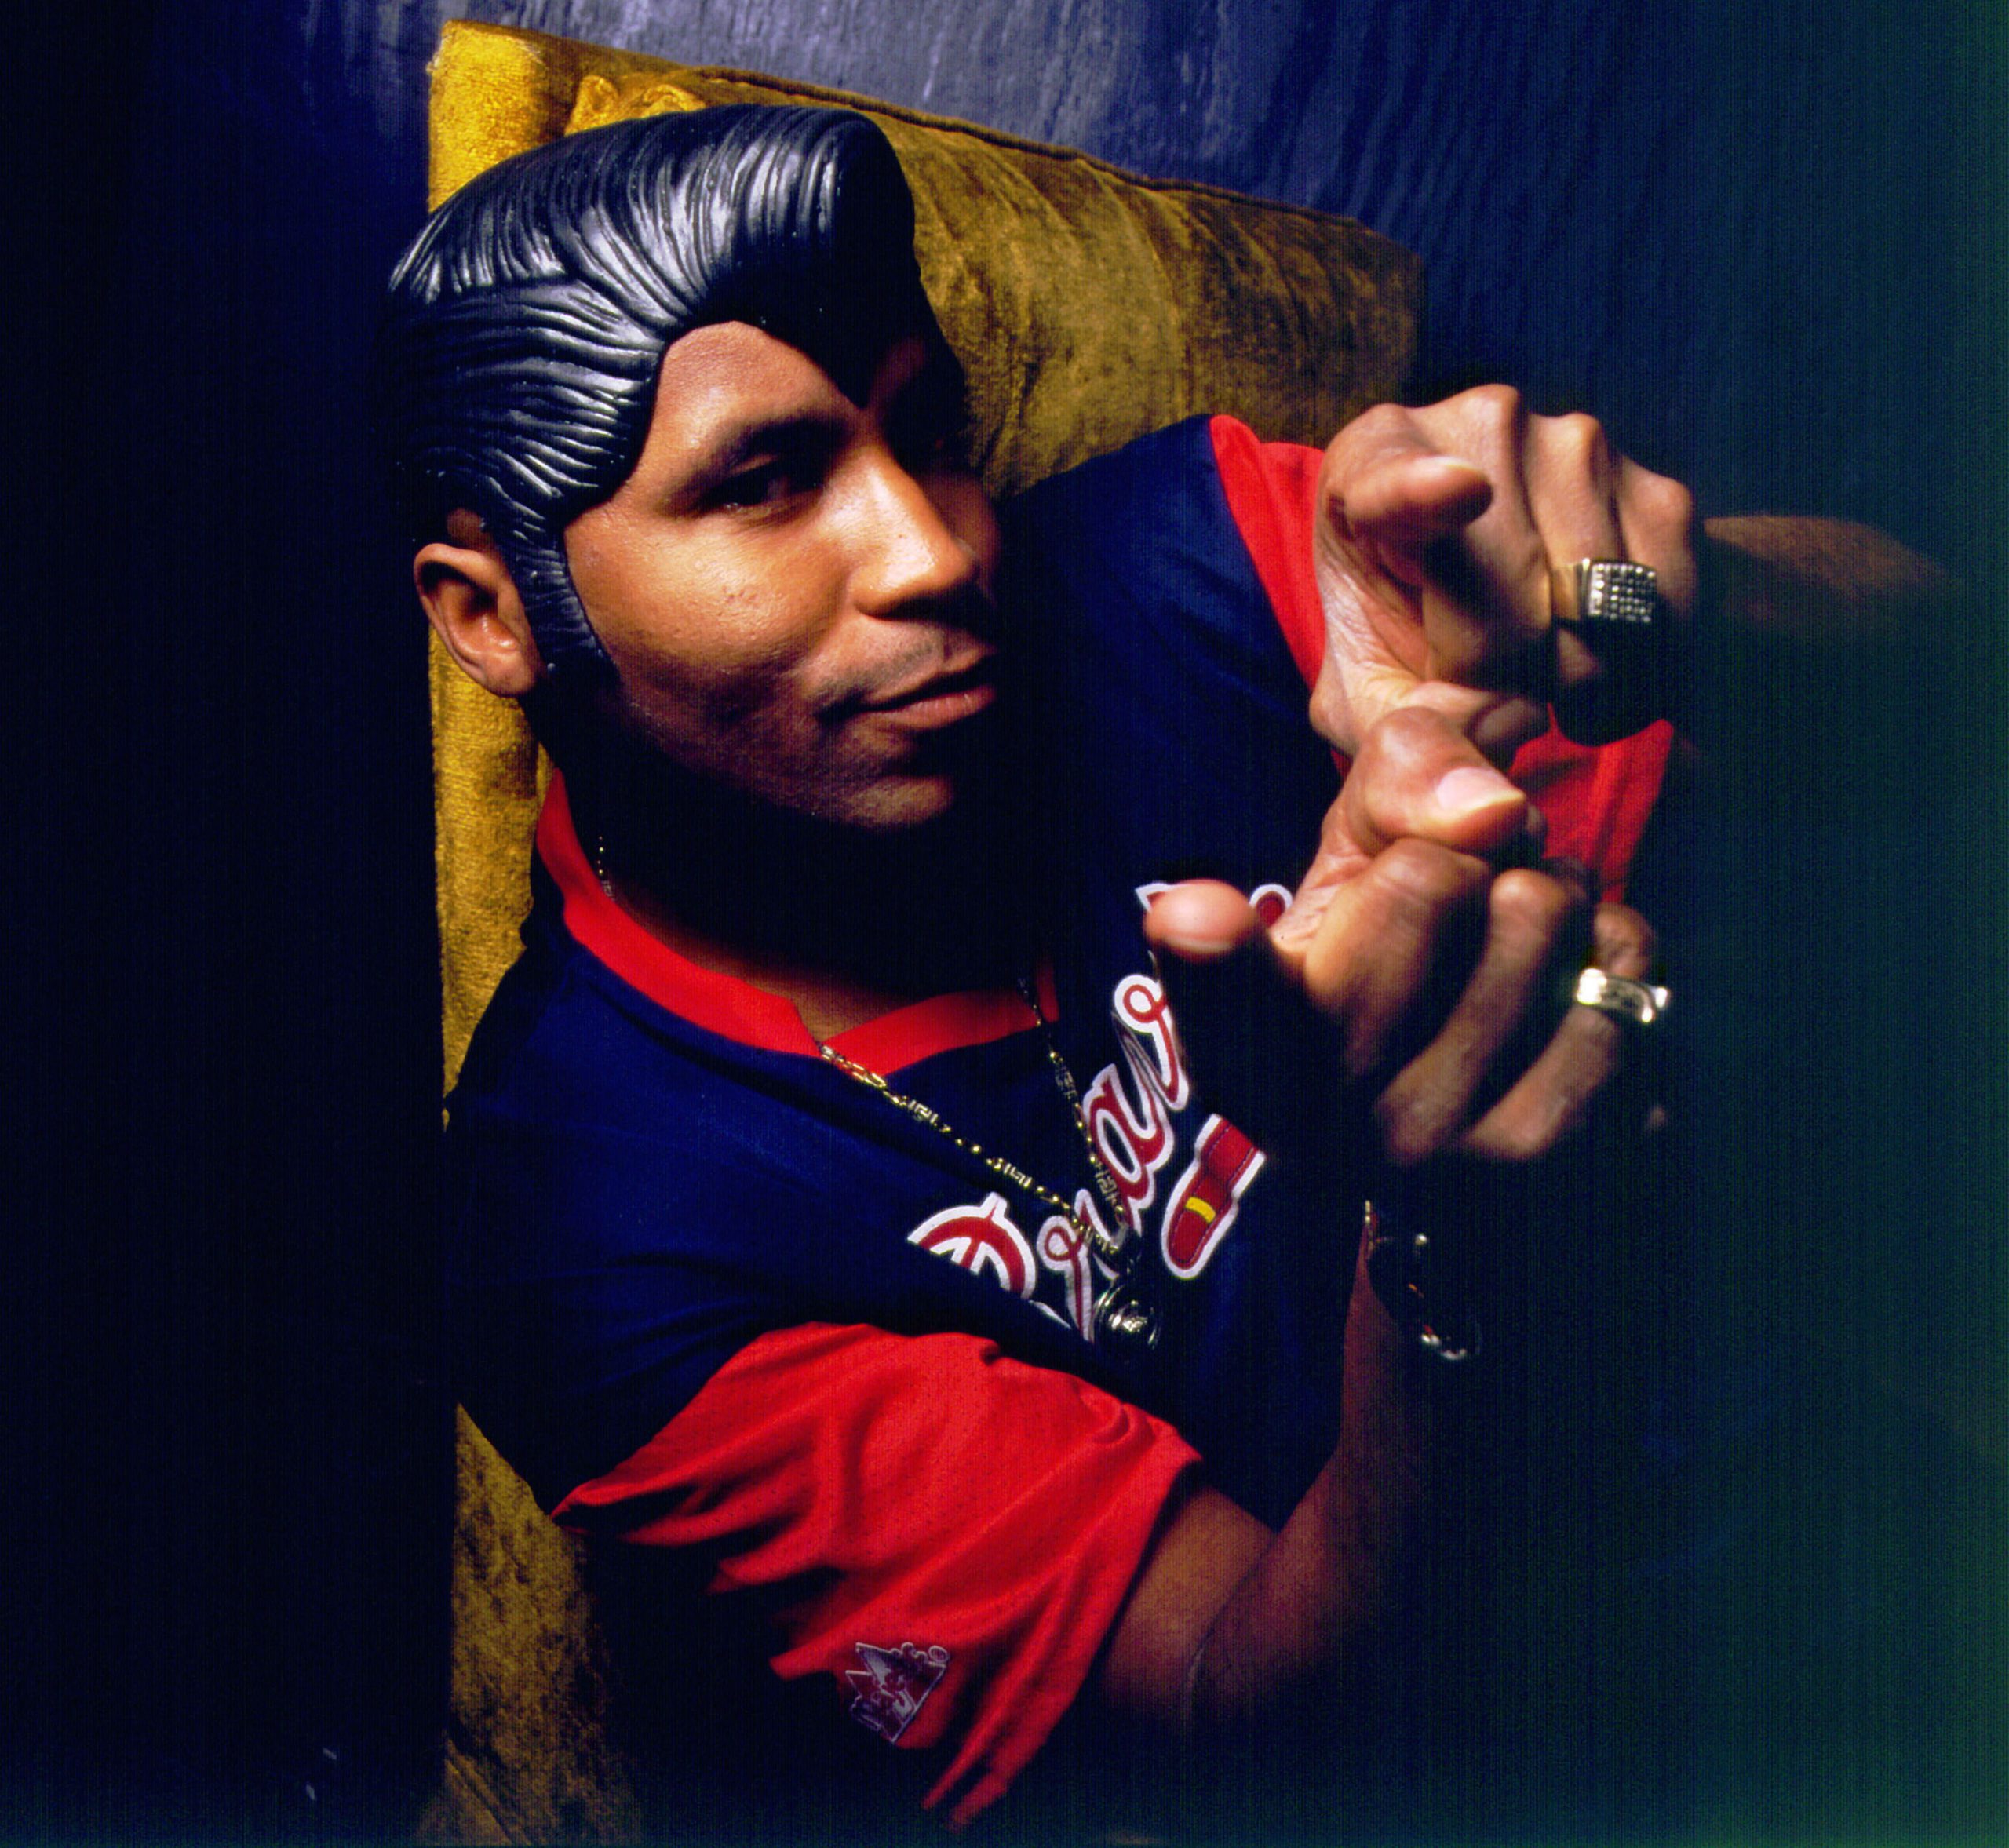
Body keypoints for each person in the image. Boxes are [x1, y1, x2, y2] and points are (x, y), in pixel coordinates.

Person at [376, 103, 1691, 1831]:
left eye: (928, 437)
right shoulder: (587, 1232)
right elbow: (1244, 1711)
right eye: (762, 485)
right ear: (490, 612)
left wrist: (1630, 593)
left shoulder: (1183, 555)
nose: (933, 553)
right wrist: (1449, 1240)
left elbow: (1934, 649)